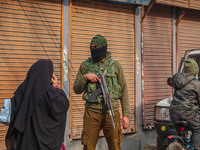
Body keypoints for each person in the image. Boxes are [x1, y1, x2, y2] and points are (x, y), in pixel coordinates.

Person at [73, 35, 130, 150]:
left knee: (115, 145)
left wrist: (126, 115)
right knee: (88, 146)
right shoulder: (85, 65)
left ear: (104, 48)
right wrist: (85, 77)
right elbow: (76, 89)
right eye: (91, 47)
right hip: (91, 113)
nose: (93, 50)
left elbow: (124, 90)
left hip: (112, 113)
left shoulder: (115, 65)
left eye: (96, 47)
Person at [5, 59, 69, 150]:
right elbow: (64, 103)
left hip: (27, 143)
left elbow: (14, 107)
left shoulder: (24, 90)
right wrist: (56, 87)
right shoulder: (54, 95)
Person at [170, 58, 200, 150]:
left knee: (179, 132)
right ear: (195, 72)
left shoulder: (177, 80)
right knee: (197, 128)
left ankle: (179, 143)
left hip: (174, 114)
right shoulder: (197, 84)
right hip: (189, 115)